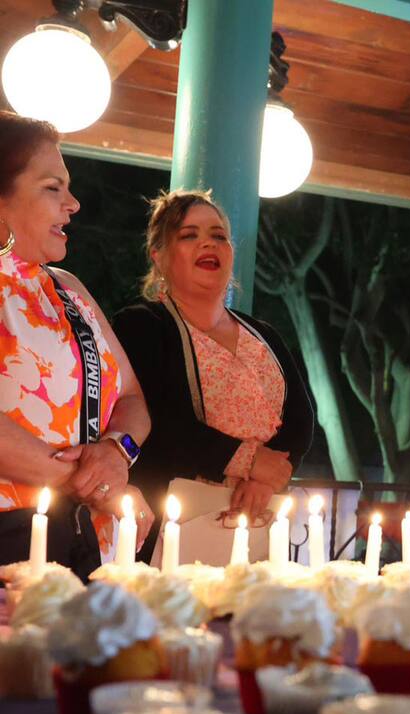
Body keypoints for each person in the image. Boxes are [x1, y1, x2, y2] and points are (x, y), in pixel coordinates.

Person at [112, 190, 314, 561]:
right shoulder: (140, 326)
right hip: (171, 526)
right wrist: (248, 460)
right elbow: (158, 419)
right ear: (159, 256)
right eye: (189, 235)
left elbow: (302, 418)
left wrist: (264, 480)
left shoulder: (264, 334)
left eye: (218, 235)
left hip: (260, 515)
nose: (208, 242)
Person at [0, 111, 153, 578]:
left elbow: (131, 400)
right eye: (53, 188)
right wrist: (98, 485)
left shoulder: (68, 286)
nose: (74, 204)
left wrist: (114, 452)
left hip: (92, 541)